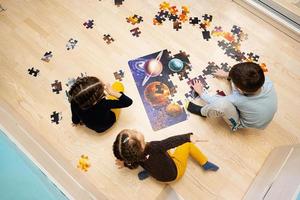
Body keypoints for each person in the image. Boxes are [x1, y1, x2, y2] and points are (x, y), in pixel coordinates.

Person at [186, 62, 277, 131]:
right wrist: (227, 74)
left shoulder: (238, 99)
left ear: (240, 90)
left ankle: (202, 112)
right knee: (245, 75)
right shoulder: (266, 81)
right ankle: (233, 78)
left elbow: (215, 101)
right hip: (259, 113)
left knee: (222, 105)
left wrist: (201, 93)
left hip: (240, 122)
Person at [113, 129, 219, 182]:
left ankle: (147, 172)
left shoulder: (133, 157)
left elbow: (133, 165)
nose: (134, 129)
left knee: (149, 161)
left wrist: (125, 164)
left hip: (158, 177)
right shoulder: (154, 146)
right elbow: (170, 142)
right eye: (134, 132)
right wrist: (188, 137)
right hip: (175, 173)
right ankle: (205, 163)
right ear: (141, 144)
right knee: (188, 146)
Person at [68, 76, 133, 133]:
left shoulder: (74, 102)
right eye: (102, 87)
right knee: (118, 85)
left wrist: (75, 122)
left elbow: (75, 118)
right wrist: (112, 92)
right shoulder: (104, 104)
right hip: (107, 123)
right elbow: (128, 102)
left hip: (97, 130)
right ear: (95, 101)